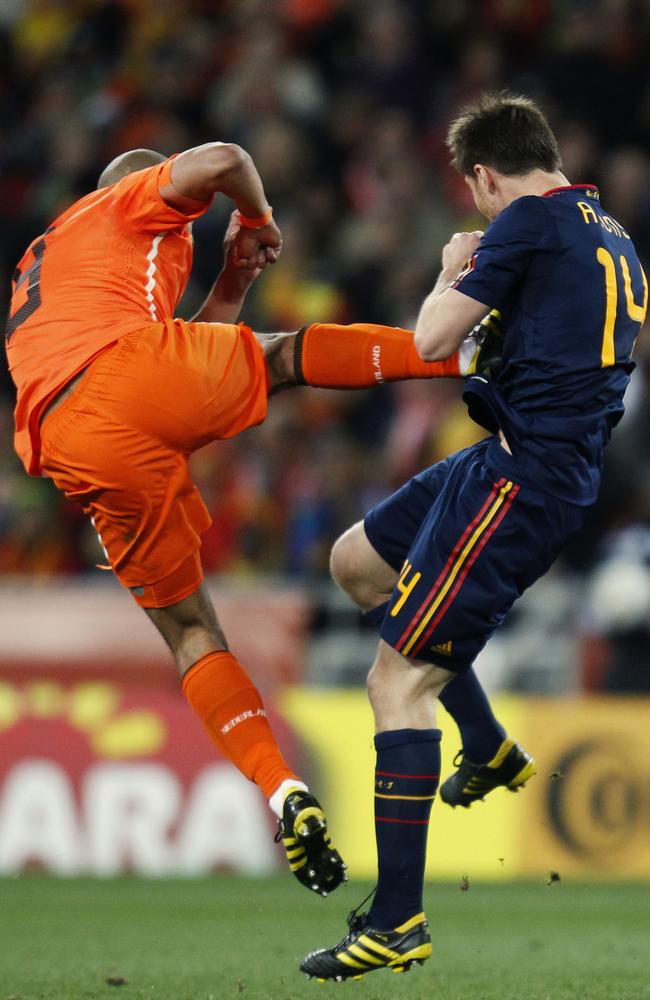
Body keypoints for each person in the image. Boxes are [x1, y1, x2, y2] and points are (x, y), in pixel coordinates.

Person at [5, 141, 475, 897]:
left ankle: (282, 790)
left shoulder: (60, 260)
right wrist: (257, 217)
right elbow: (222, 159)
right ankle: (470, 356)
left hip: (69, 440)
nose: (186, 233)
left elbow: (189, 367)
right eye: (181, 223)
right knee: (289, 357)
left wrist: (232, 279)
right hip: (117, 375)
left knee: (192, 634)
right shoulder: (126, 199)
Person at [301, 91, 647, 980]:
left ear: (487, 176)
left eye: (476, 196)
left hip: (520, 480)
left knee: (395, 683)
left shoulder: (524, 224)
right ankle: (489, 747)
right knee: (357, 566)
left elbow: (432, 339)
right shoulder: (612, 235)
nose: (479, 212)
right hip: (514, 458)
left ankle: (397, 921)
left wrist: (455, 264)